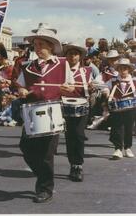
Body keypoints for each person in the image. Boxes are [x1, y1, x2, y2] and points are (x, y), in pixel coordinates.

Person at [15, 23, 75, 203]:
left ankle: (45, 188)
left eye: (41, 45)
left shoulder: (62, 64)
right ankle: (43, 176)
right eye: (35, 45)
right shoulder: (28, 66)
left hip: (52, 112)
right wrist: (22, 91)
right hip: (32, 113)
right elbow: (20, 85)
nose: (37, 48)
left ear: (50, 46)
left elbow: (71, 87)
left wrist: (67, 89)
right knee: (26, 148)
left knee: (46, 154)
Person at [62, 43, 94, 182]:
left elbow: (92, 89)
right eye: (69, 53)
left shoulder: (87, 71)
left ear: (80, 56)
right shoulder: (61, 70)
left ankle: (78, 165)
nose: (72, 56)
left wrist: (92, 89)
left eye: (75, 54)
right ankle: (72, 164)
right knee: (70, 136)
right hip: (64, 105)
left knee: (79, 135)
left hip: (82, 105)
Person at [102, 58, 136, 159]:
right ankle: (117, 149)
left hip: (131, 108)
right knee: (116, 127)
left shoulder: (134, 81)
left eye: (125, 68)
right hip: (116, 108)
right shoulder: (113, 80)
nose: (123, 71)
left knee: (129, 128)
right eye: (121, 68)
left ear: (129, 70)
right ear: (118, 70)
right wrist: (106, 91)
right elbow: (105, 86)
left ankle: (127, 148)